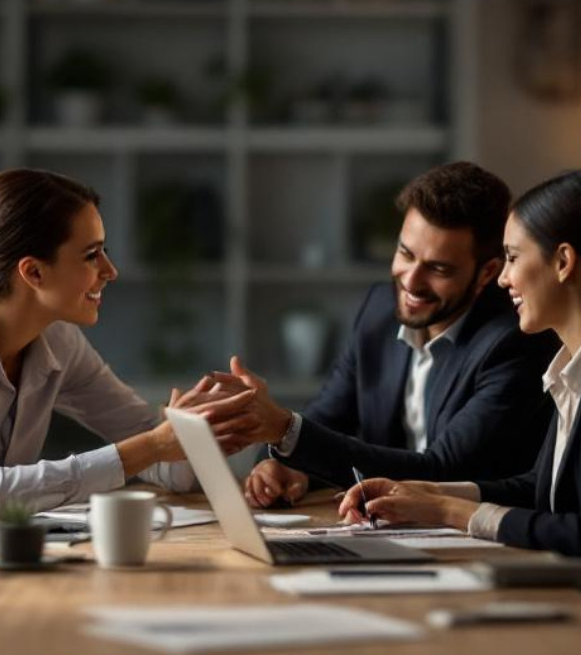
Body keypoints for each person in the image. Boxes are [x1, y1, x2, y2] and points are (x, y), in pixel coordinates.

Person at [343, 169, 581, 631]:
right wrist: (427, 494)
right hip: (579, 614)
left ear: (563, 261)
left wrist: (451, 512)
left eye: (511, 258)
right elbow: (542, 490)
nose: (503, 278)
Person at [0, 168, 254, 528]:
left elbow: (158, 455)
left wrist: (200, 430)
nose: (110, 270)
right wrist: (153, 446)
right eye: (91, 254)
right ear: (33, 273)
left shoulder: (58, 340)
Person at [197, 162, 555, 507]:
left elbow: (443, 471)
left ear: (486, 273)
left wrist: (286, 430)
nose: (411, 280)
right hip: (387, 527)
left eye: (438, 268)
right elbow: (329, 414)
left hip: (481, 540)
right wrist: (283, 466)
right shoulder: (380, 310)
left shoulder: (515, 341)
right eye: (405, 253)